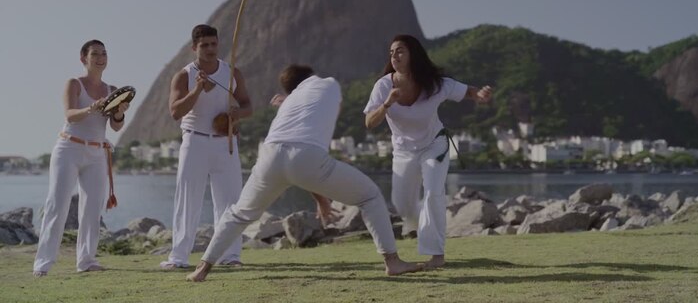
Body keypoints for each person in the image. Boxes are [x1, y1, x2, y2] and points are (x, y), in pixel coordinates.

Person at [185, 64, 422, 282]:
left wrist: (321, 199)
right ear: (310, 76)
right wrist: (322, 197)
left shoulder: (289, 104)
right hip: (306, 156)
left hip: (270, 155)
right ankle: (393, 261)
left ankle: (203, 268)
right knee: (370, 196)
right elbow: (307, 155)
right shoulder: (329, 83)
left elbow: (293, 161)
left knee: (239, 214)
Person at [364, 35, 492, 269]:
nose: (394, 56)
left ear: (413, 54)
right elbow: (369, 123)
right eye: (391, 52)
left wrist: (479, 96)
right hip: (404, 151)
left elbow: (468, 91)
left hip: (435, 144)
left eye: (400, 51)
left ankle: (436, 256)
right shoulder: (384, 86)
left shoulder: (435, 83)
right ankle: (414, 223)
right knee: (402, 204)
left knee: (433, 192)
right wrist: (387, 104)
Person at [33, 40, 129, 276]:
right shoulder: (74, 84)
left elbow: (116, 128)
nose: (101, 58)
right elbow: (70, 114)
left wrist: (118, 113)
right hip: (69, 149)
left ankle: (86, 261)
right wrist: (90, 108)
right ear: (83, 59)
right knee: (58, 205)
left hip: (97, 153)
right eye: (95, 54)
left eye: (104, 53)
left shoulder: (112, 89)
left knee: (92, 207)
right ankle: (43, 263)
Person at [160, 24, 253, 269]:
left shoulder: (232, 71)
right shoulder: (184, 75)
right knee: (188, 200)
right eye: (205, 45)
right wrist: (198, 89)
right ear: (194, 48)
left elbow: (248, 105)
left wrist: (238, 114)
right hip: (195, 140)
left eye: (214, 44)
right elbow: (175, 111)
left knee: (230, 202)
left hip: (226, 143)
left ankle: (230, 256)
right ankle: (178, 258)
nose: (211, 49)